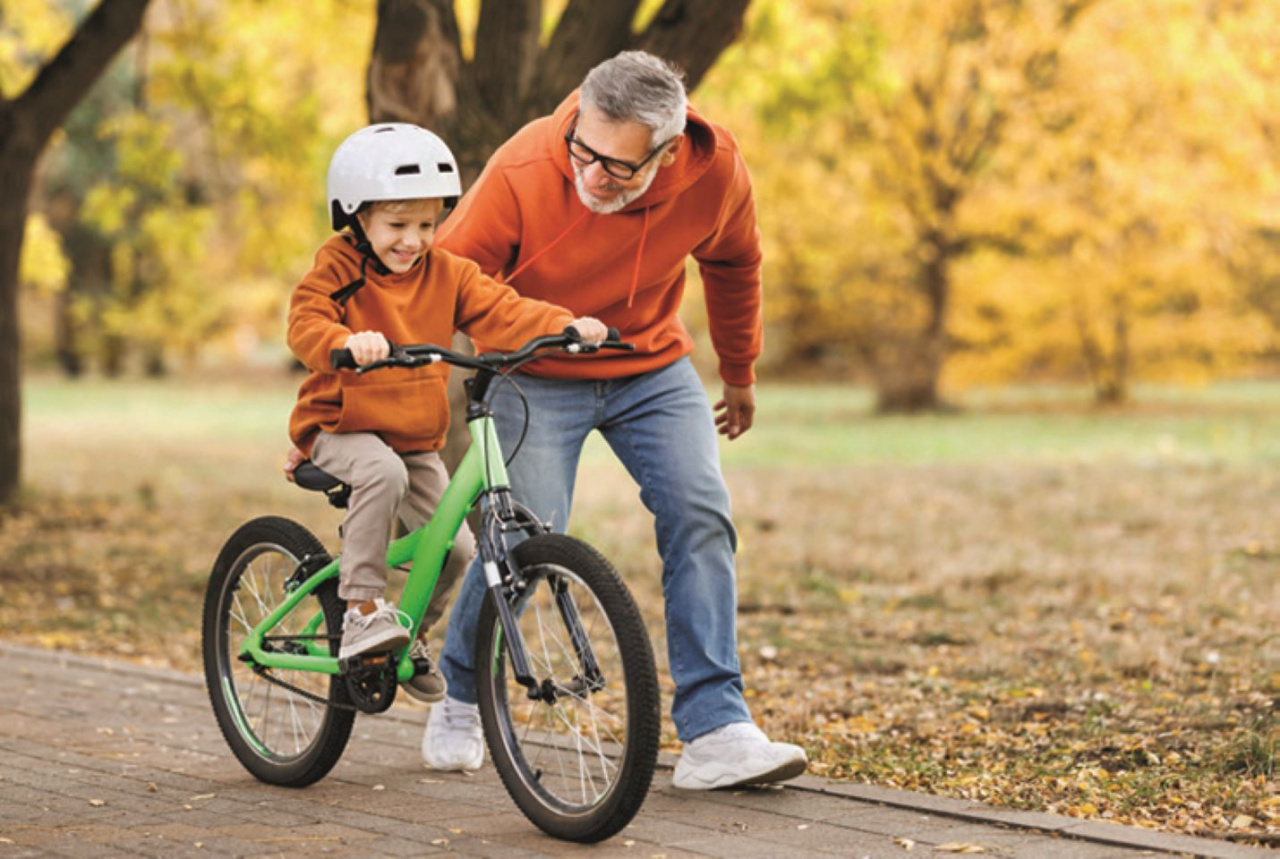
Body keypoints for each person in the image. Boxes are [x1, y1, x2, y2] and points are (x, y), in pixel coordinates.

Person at [420, 51, 808, 790]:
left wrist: (740, 370)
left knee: (700, 512)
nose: (591, 175)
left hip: (650, 366)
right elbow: (444, 276)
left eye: (619, 167)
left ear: (667, 151)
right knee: (527, 539)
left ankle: (716, 728)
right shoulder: (527, 165)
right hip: (533, 368)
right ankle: (464, 690)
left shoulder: (716, 168)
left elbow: (735, 263)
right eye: (585, 152)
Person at [286, 123, 607, 703]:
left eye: (427, 225)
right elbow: (306, 319)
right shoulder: (338, 265)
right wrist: (344, 341)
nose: (414, 240)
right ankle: (360, 609)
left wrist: (563, 325)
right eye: (397, 225)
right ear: (356, 218)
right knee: (381, 474)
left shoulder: (447, 271)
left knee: (459, 547)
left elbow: (502, 310)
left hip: (412, 436)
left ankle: (403, 637)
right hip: (339, 424)